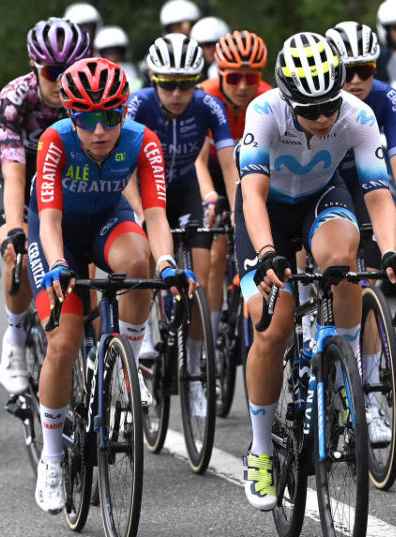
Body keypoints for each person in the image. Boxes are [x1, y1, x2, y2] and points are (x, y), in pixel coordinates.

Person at [235, 32, 396, 509]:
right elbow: (252, 194)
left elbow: (378, 194)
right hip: (267, 212)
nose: (322, 118)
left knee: (344, 261)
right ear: (287, 99)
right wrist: (269, 251)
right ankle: (259, 449)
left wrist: (393, 252)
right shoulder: (264, 112)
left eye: (329, 107)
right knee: (273, 328)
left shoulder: (359, 116)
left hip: (320, 197)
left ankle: (347, 368)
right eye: (310, 110)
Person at [29, 58, 198, 512]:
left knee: (140, 261)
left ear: (124, 112)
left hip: (108, 221)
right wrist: (60, 264)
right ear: (71, 116)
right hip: (57, 233)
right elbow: (48, 218)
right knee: (63, 345)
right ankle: (51, 457)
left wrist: (166, 263)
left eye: (111, 117)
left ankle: (127, 359)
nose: (100, 130)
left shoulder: (142, 140)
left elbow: (157, 214)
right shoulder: (55, 140)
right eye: (86, 118)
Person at [126, 33, 238, 417]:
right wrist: (139, 211)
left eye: (185, 84)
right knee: (138, 260)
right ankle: (146, 337)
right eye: (168, 84)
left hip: (186, 189)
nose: (177, 93)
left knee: (199, 282)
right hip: (141, 190)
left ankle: (193, 373)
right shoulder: (137, 105)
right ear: (153, 78)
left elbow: (229, 167)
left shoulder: (209, 106)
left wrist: (240, 213)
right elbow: (122, 169)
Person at [325, 20, 396, 444]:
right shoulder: (319, 101)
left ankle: (367, 398)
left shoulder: (387, 98)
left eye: (365, 69)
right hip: (325, 189)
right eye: (347, 71)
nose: (356, 80)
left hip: (369, 188)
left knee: (364, 283)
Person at [0, 17, 91, 394]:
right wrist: (14, 226)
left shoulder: (91, 90)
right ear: (34, 66)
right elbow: (14, 173)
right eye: (53, 71)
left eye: (71, 69)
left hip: (65, 176)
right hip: (15, 172)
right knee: (17, 251)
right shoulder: (16, 99)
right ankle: (14, 340)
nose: (63, 79)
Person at [196, 30, 271, 360]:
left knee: (254, 249)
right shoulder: (204, 97)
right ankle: (209, 342)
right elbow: (197, 160)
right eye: (235, 77)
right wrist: (211, 195)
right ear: (220, 73)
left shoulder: (269, 97)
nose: (243, 86)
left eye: (250, 77)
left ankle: (253, 303)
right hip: (211, 173)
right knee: (215, 252)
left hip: (253, 176)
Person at [94, 25, 143, 91]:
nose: (113, 56)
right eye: (108, 52)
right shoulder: (93, 76)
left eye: (118, 51)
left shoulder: (136, 72)